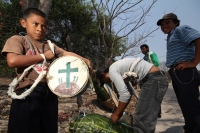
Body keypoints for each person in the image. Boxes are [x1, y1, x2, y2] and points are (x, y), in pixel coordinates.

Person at [1, 8, 92, 133]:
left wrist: (84, 60)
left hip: (49, 94)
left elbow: (65, 53)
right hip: (27, 93)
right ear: (23, 23)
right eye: (36, 24)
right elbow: (12, 61)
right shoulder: (18, 40)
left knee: (48, 128)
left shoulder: (49, 45)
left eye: (44, 26)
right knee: (23, 128)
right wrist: (43, 56)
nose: (40, 29)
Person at [96, 58, 168, 133]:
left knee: (141, 119)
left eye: (104, 81)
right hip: (156, 79)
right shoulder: (118, 70)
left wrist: (116, 114)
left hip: (153, 79)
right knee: (144, 117)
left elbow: (125, 94)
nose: (107, 82)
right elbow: (129, 92)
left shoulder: (112, 71)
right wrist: (120, 112)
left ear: (103, 75)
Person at [157, 13, 200, 133]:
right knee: (185, 105)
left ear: (175, 23)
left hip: (185, 72)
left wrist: (194, 62)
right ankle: (190, 128)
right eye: (162, 25)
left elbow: (198, 38)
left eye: (167, 23)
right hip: (176, 73)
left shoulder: (181, 29)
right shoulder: (171, 36)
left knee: (191, 105)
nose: (164, 26)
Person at [140, 44, 162, 118]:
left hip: (153, 75)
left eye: (143, 49)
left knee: (155, 93)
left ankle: (158, 112)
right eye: (141, 49)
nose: (142, 50)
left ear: (147, 48)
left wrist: (150, 70)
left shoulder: (151, 54)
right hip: (147, 76)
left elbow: (156, 63)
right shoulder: (144, 57)